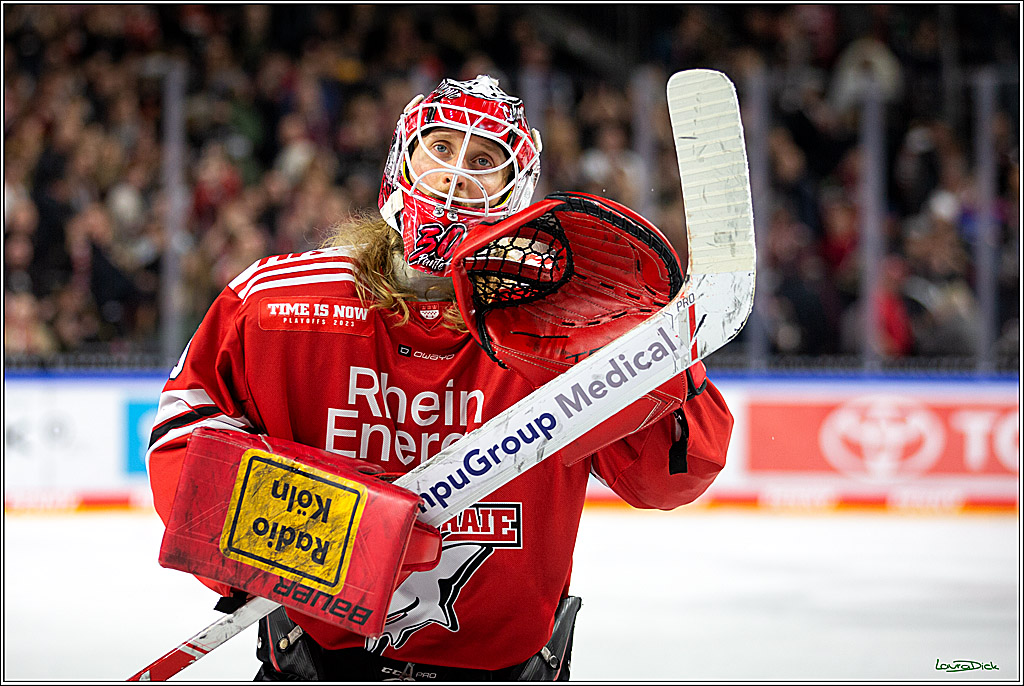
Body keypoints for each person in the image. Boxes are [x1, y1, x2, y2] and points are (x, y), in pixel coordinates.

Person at [147, 75, 734, 681]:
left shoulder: (561, 330)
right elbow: (182, 444)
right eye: (443, 147)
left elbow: (671, 477)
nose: (458, 176)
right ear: (400, 161)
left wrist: (654, 360)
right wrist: (303, 534)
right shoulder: (274, 305)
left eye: (485, 161)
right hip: (317, 661)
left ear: (517, 194)